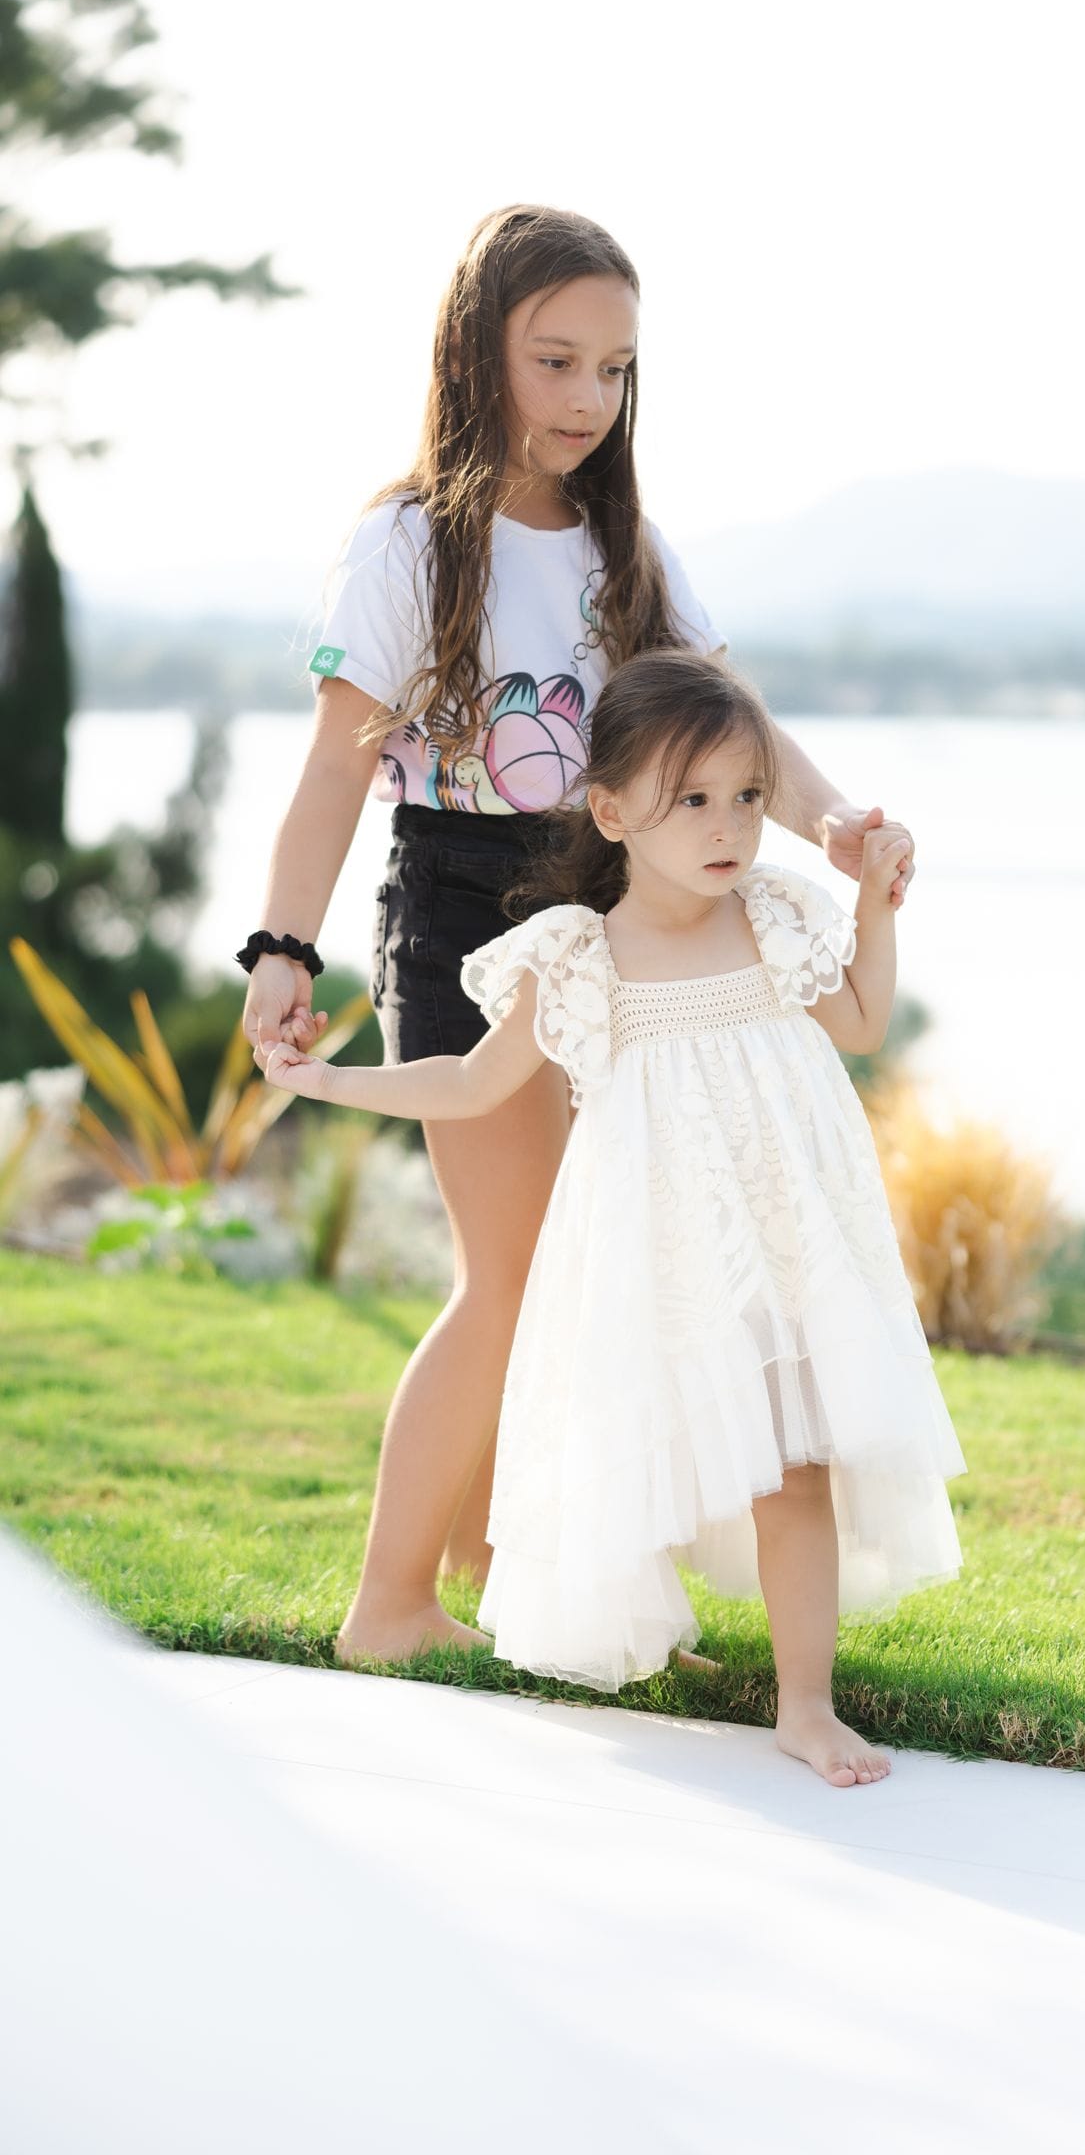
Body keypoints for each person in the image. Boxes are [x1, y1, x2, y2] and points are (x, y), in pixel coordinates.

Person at [239, 202, 919, 1670]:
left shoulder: (629, 547)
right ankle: (387, 1605)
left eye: (614, 370)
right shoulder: (407, 543)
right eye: (555, 361)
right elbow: (331, 776)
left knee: (594, 1269)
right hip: (459, 915)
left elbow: (733, 727)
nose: (587, 399)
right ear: (475, 352)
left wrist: (837, 826)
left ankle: (508, 1577)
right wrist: (279, 949)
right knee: (514, 1277)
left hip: (612, 918)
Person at [261, 648, 965, 1789]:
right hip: (662, 1260)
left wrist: (875, 912)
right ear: (611, 812)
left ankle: (806, 1704)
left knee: (795, 1465)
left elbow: (862, 1022)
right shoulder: (581, 956)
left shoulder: (773, 917)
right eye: (692, 800)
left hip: (783, 1243)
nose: (727, 826)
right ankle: (632, 1624)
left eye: (747, 796)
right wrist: (327, 1080)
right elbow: (471, 1084)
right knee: (651, 1452)